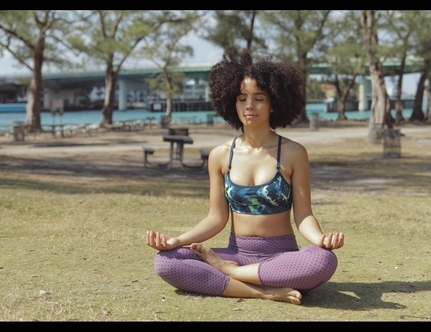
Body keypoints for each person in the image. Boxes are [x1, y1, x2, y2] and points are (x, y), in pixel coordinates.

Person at [146, 51, 344, 305]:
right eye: (242, 98)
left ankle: (232, 275)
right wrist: (177, 240)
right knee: (166, 262)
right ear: (232, 103)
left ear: (273, 104)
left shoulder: (294, 153)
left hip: (280, 257)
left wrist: (320, 240)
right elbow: (216, 217)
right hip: (235, 252)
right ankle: (263, 290)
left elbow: (303, 214)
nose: (249, 105)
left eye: (259, 98)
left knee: (323, 260)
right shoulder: (219, 155)